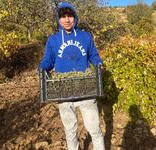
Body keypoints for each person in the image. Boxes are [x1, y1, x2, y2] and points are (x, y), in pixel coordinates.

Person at [39, 2, 105, 150]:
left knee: (94, 129)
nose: (67, 20)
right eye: (63, 16)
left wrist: (99, 64)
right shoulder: (54, 40)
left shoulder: (85, 37)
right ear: (58, 19)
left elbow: (93, 55)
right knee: (70, 131)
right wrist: (43, 68)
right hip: (64, 91)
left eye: (70, 16)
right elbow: (48, 59)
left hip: (86, 88)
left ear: (75, 18)